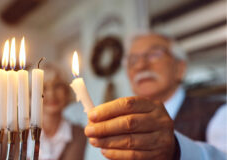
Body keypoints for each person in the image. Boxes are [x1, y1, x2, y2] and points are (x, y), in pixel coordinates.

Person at [84, 33, 227, 159]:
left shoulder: (219, 113)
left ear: (180, 68)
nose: (140, 66)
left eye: (154, 55)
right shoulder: (124, 122)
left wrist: (175, 150)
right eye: (132, 60)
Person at [28, 63, 86, 160]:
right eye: (44, 88)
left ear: (67, 91)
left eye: (57, 86)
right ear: (30, 95)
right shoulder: (15, 131)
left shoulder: (78, 133)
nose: (51, 94)